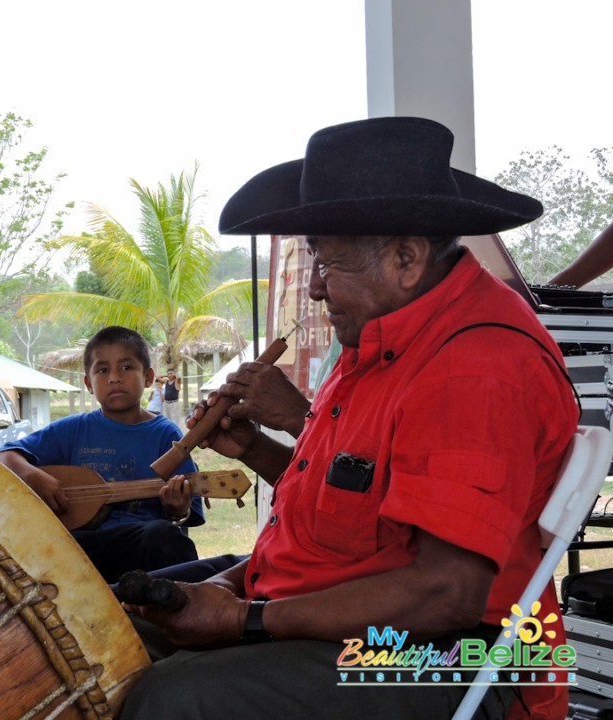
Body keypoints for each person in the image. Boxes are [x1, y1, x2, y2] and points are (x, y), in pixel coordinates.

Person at [120, 117, 578, 720]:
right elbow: (353, 511)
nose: (314, 288)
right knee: (105, 629)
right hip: (358, 612)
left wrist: (243, 619)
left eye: (328, 265)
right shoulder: (377, 339)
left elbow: (448, 593)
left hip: (457, 657)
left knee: (173, 698)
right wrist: (255, 453)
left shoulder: (476, 367)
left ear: (406, 258)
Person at [0, 326, 205, 583]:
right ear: (88, 383)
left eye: (126, 368)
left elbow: (182, 515)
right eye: (103, 370)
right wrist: (33, 476)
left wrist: (178, 510)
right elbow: (5, 456)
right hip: (79, 547)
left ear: (149, 377)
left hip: (139, 545)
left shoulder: (164, 434)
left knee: (165, 537)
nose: (114, 378)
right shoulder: (73, 429)